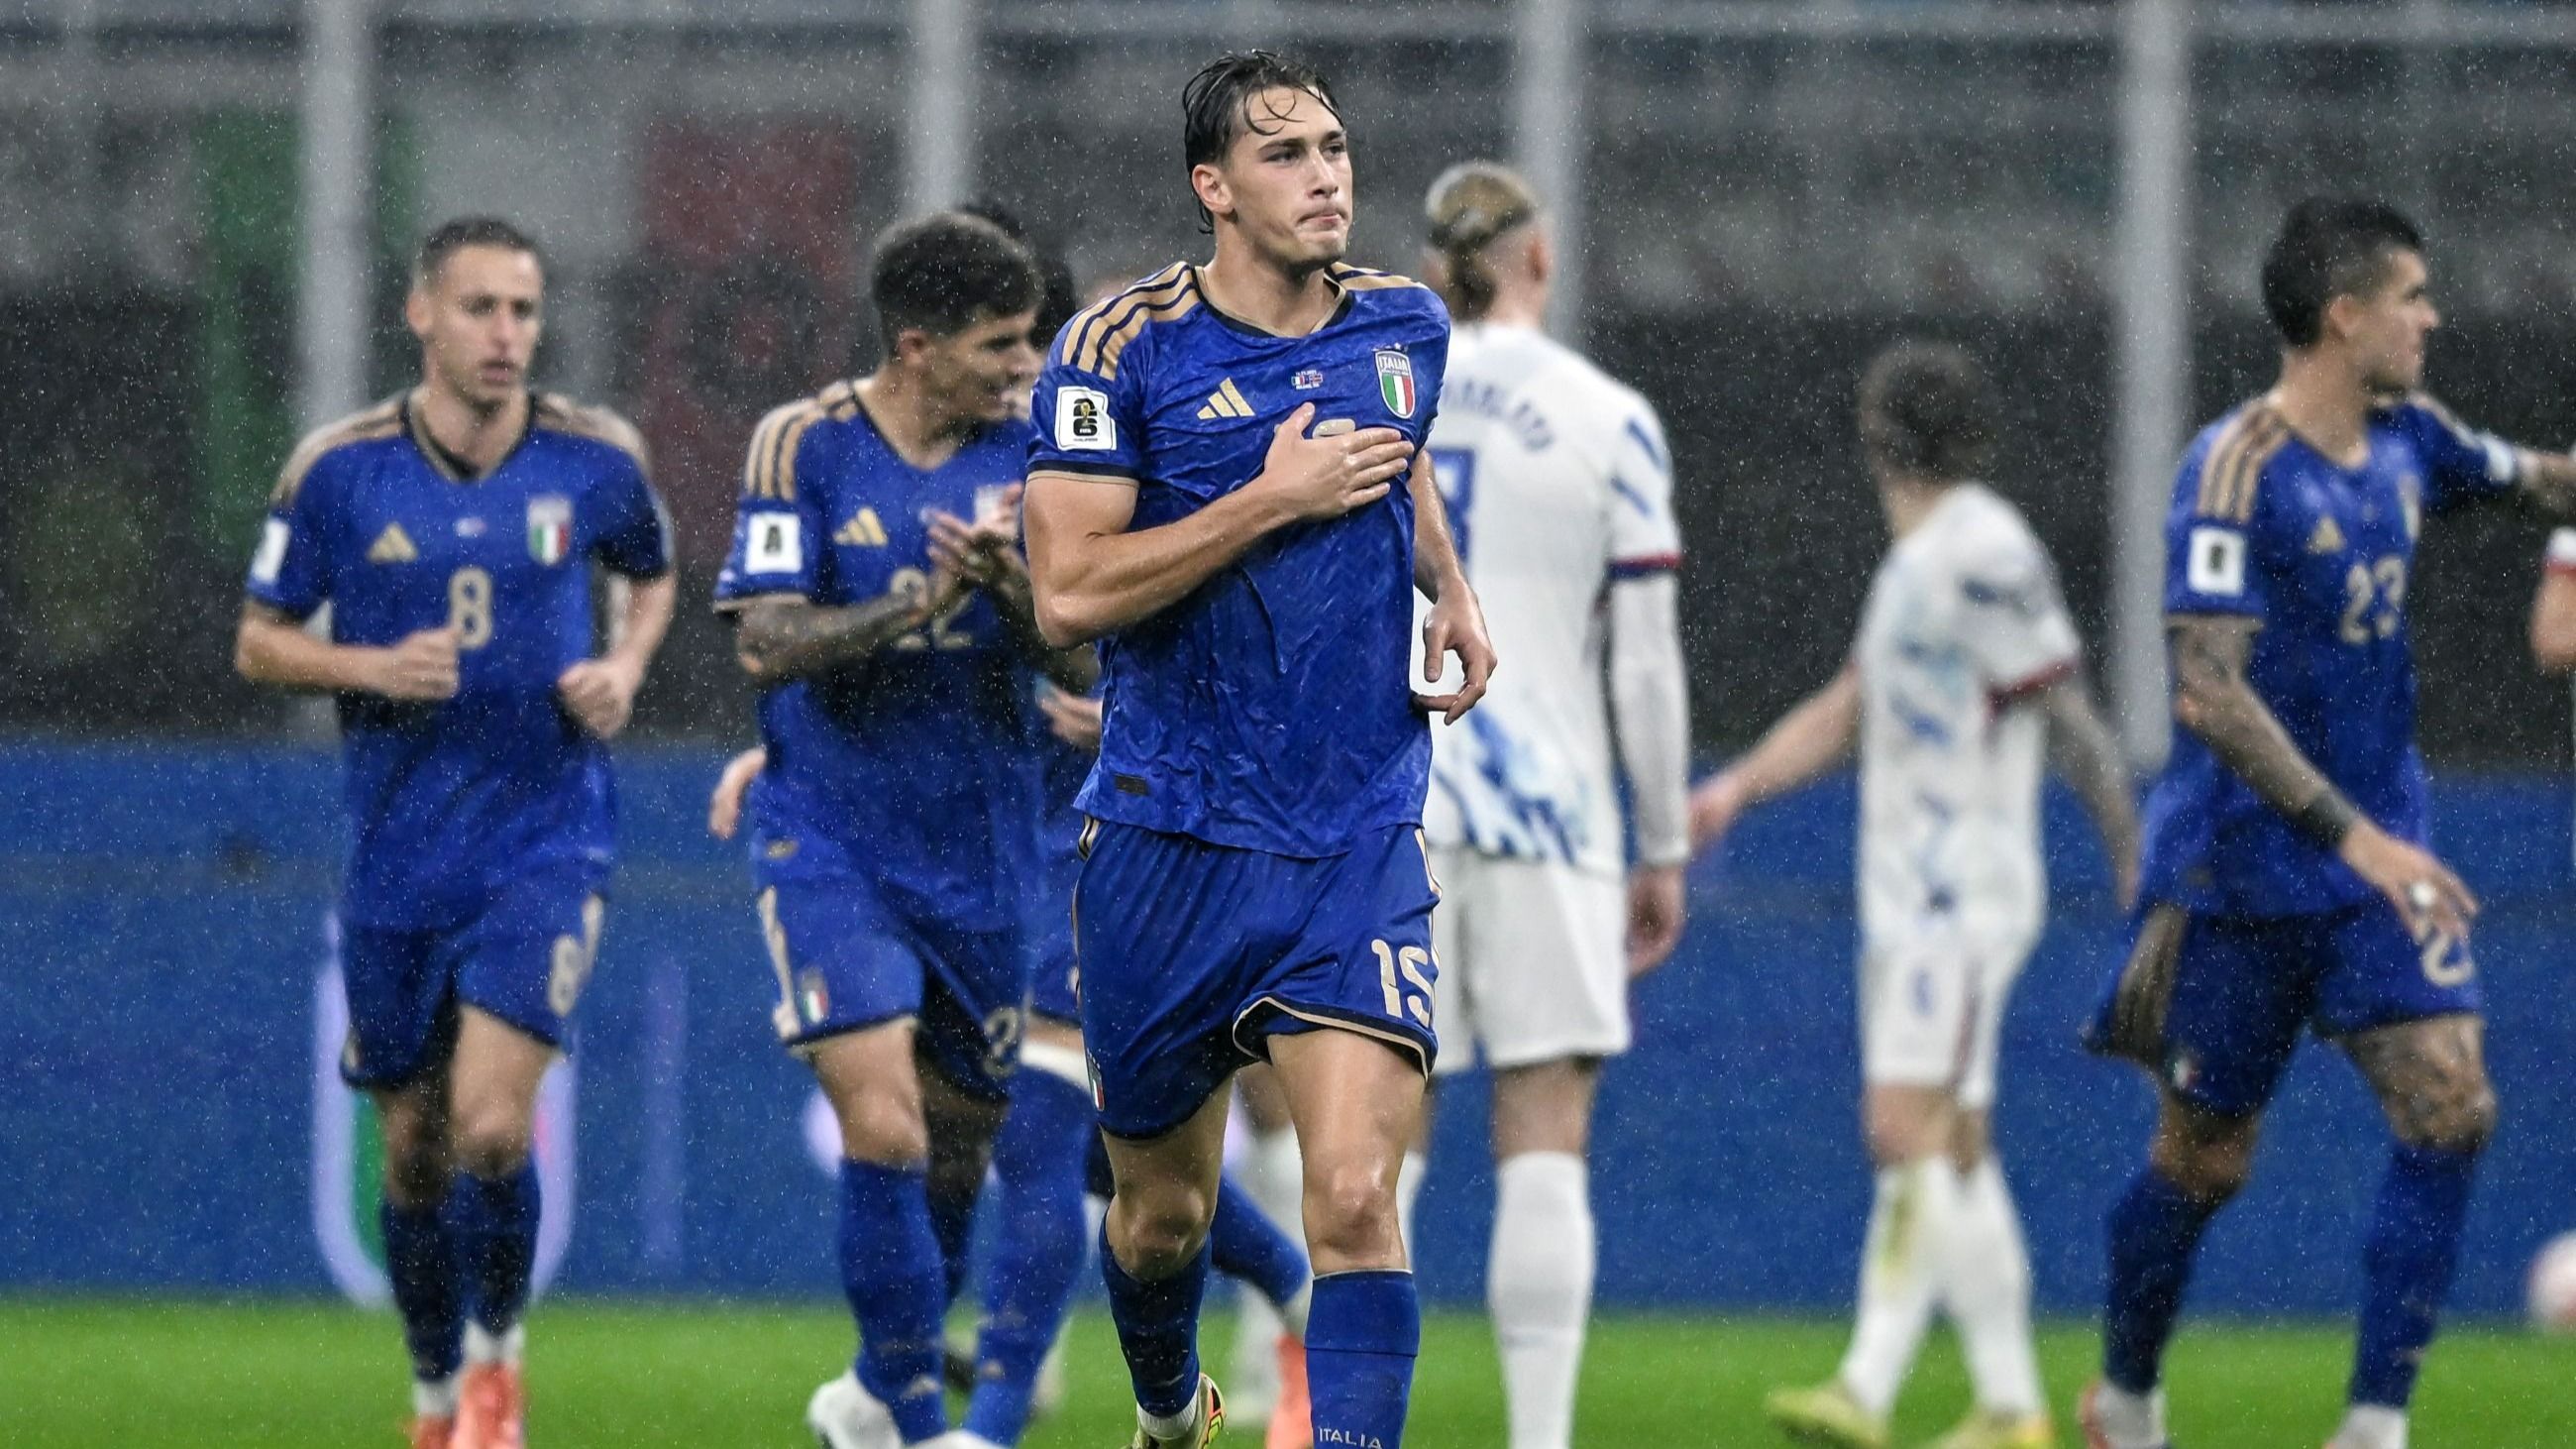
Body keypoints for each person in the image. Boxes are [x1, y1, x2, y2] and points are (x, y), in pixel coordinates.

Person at [1020, 50, 1495, 1449]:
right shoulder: (1119, 350)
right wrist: (1266, 499)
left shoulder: (1407, 326)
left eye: (1337, 148)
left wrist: (1449, 584)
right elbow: (1070, 592)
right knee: (1161, 1215)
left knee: (1353, 1194)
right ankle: (1170, 1411)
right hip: (1167, 840)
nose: (1328, 176)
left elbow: (1394, 450)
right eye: (1286, 155)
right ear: (1212, 188)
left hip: (1354, 834)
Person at [2078, 197, 2576, 1449]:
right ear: (2343, 316)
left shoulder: (2412, 438)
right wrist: (2350, 834)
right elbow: (2204, 686)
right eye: (2410, 295)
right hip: (2241, 873)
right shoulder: (2232, 466)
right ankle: (2125, 1398)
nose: (2431, 317)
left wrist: (2369, 848)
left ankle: (2371, 1427)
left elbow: (2534, 479)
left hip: (2374, 869)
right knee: (2202, 1162)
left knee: (2451, 1105)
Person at [234, 216, 676, 1449]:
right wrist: (368, 661)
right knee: (417, 1152)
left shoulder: (593, 459)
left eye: (524, 312)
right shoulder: (337, 470)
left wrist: (625, 666)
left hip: (547, 837)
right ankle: (435, 1394)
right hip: (396, 855)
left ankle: (496, 1364)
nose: (505, 336)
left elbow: (651, 572)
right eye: (480, 309)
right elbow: (258, 639)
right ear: (420, 314)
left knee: (490, 1121)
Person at [1691, 341, 2138, 1449]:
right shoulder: (1916, 566)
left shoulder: (1980, 547)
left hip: (1961, 895)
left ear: (1871, 435)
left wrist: (2136, 856)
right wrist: (1737, 787)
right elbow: (1848, 706)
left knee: (1903, 1128)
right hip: (1916, 897)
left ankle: (1869, 1383)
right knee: (1954, 1144)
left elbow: (2069, 715)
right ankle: (2006, 1404)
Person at [710, 210, 1077, 1449]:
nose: (1026, 364)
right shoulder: (801, 446)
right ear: (915, 346)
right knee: (883, 1120)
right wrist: (907, 603)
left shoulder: (1036, 453)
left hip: (981, 852)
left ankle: (874, 1396)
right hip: (829, 835)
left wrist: (1009, 586)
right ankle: (925, 1429)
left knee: (957, 1157)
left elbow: (1078, 655)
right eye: (1002, 343)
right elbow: (765, 641)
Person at [1392, 160, 1692, 1449]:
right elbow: (1645, 656)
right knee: (1544, 1126)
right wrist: (1665, 838)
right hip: (1552, 809)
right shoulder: (1607, 416)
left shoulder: (1380, 393)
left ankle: (1348, 1420)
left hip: (1391, 799)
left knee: (1378, 1134)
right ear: (1542, 259)